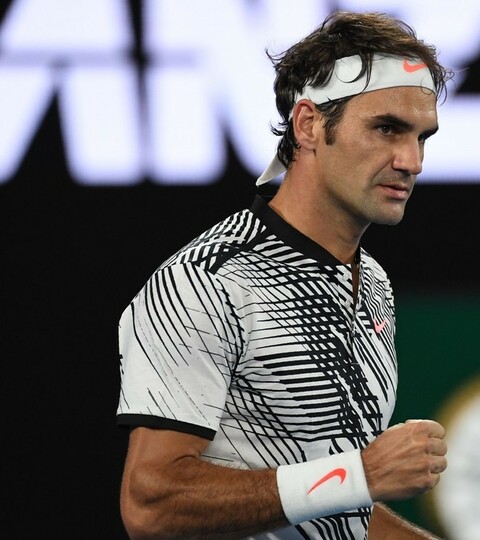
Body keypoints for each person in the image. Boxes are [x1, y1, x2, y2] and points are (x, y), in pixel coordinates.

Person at [116, 10, 454, 540]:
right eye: (386, 129)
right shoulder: (206, 281)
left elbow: (333, 509)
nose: (412, 161)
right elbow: (150, 504)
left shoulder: (373, 283)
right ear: (308, 125)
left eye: (421, 137)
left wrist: (362, 487)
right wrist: (361, 475)